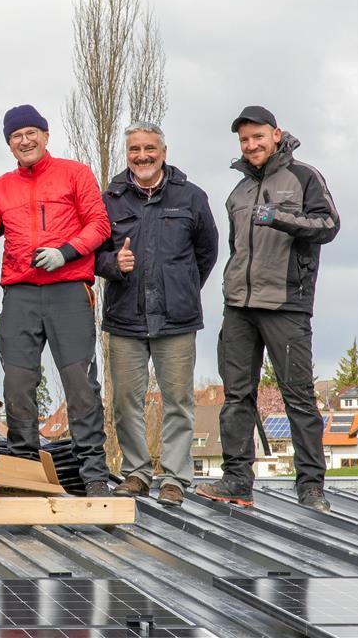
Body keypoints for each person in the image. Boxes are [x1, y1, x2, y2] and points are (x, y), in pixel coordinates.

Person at [0, 104, 112, 496]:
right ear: (9, 144)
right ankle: (23, 472)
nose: (25, 140)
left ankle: (94, 475)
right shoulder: (2, 186)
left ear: (46, 136)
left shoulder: (75, 174)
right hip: (19, 293)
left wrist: (65, 252)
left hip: (68, 289)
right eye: (16, 136)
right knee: (18, 384)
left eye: (31, 132)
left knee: (79, 384)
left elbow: (99, 224)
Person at [197, 106, 340, 511]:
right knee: (237, 396)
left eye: (258, 136)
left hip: (285, 305)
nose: (251, 145)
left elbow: (329, 225)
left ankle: (311, 487)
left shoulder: (304, 177)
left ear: (276, 135)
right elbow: (236, 250)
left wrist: (279, 216)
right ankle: (238, 481)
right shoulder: (238, 192)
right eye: (244, 140)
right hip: (239, 307)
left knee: (298, 397)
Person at [94, 122, 219, 507]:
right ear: (127, 154)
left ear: (164, 151)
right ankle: (136, 473)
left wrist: (181, 287)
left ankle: (175, 478)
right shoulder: (109, 200)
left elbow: (208, 251)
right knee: (126, 401)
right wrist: (114, 263)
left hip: (175, 320)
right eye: (135, 150)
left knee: (178, 400)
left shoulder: (191, 197)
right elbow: (93, 254)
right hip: (126, 318)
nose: (142, 156)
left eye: (150, 148)